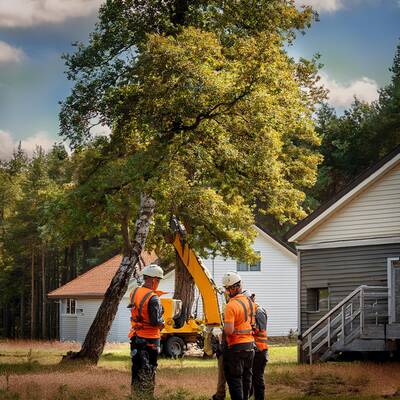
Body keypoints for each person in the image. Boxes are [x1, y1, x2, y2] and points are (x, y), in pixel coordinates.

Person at [128, 264, 165, 399]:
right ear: (154, 280)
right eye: (159, 280)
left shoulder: (134, 291)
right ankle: (147, 396)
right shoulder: (153, 298)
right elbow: (156, 321)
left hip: (135, 336)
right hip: (150, 338)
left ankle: (135, 395)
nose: (158, 284)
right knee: (149, 369)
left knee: (136, 368)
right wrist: (163, 323)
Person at [221, 271, 257, 400]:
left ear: (230, 289)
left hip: (236, 347)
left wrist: (221, 329)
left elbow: (229, 330)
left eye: (226, 289)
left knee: (235, 380)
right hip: (250, 346)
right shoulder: (250, 302)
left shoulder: (231, 306)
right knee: (247, 378)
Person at [251, 298, 269, 400]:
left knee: (258, 377)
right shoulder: (252, 311)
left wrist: (249, 329)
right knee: (252, 377)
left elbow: (261, 329)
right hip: (255, 350)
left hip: (260, 350)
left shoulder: (259, 311)